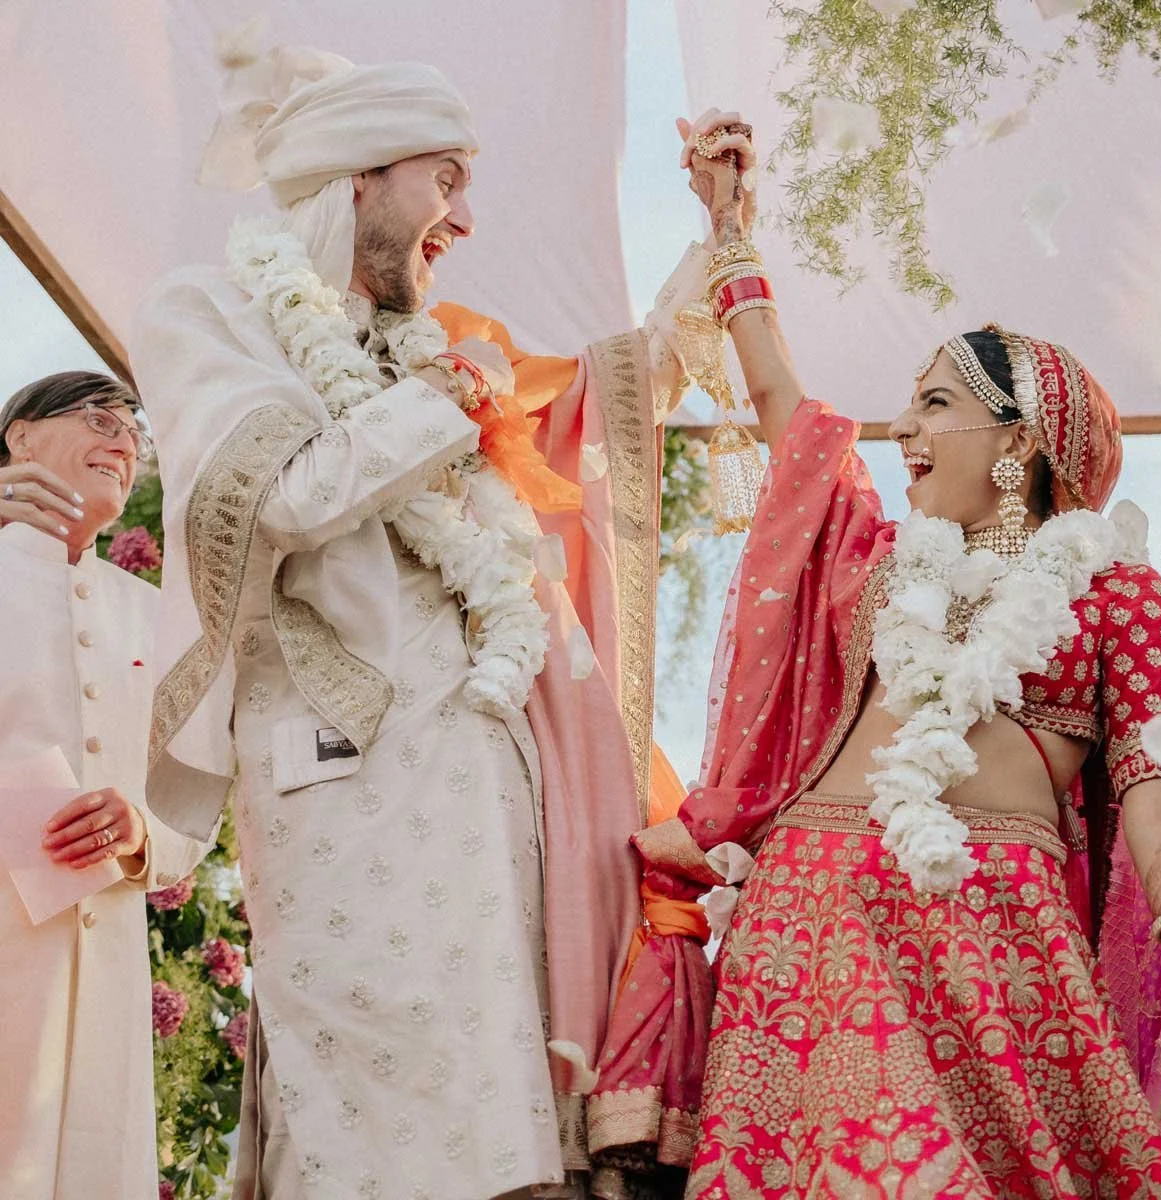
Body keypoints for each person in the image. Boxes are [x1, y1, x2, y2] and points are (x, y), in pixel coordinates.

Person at [585, 110, 1161, 1199]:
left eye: (935, 403)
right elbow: (787, 409)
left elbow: (1157, 801)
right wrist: (731, 232)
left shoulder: (1112, 592)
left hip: (990, 926)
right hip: (809, 915)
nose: (902, 427)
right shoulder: (878, 561)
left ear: (1019, 442)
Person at [131, 46, 711, 1200]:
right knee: (370, 1116)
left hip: (485, 768)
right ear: (358, 175)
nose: (466, 219)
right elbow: (273, 498)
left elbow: (577, 413)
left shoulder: (426, 352)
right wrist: (437, 407)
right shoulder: (210, 311)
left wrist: (719, 257)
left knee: (508, 1129)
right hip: (340, 775)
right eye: (445, 180)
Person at [0, 372, 214, 1199]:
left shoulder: (153, 615)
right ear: (21, 436)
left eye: (135, 433)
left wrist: (141, 836)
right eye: (100, 418)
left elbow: (192, 782)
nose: (125, 442)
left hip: (104, 947)